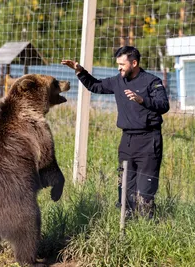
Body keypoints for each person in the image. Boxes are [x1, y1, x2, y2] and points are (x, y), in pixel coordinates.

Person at [61, 46, 170, 218]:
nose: (119, 68)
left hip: (148, 141)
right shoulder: (118, 81)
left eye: (122, 64)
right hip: (127, 141)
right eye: (117, 64)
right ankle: (124, 226)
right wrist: (80, 71)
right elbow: (95, 86)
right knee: (125, 188)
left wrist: (142, 100)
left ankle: (146, 229)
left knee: (145, 192)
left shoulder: (151, 81)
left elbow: (164, 105)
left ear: (134, 63)